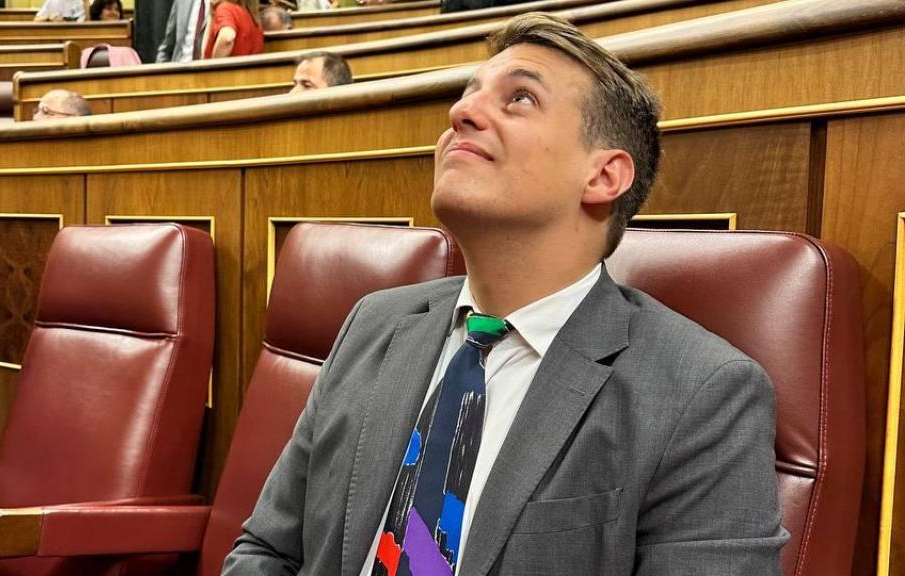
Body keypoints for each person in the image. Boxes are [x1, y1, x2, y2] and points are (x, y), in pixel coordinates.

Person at [223, 12, 788, 576]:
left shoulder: (704, 395)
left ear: (603, 177)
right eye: (467, 95)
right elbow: (267, 551)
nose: (460, 113)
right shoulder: (375, 324)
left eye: (519, 99)